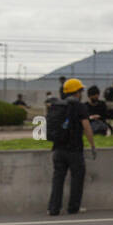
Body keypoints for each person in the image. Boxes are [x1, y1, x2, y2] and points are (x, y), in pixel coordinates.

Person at [48, 79, 96, 216]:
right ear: (77, 92)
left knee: (58, 179)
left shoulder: (56, 105)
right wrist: (92, 145)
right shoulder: (79, 106)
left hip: (58, 149)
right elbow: (87, 127)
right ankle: (73, 208)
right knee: (77, 179)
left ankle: (53, 208)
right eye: (81, 91)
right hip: (74, 150)